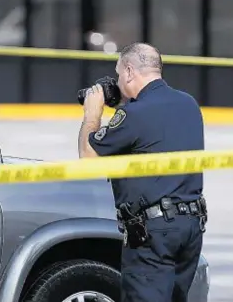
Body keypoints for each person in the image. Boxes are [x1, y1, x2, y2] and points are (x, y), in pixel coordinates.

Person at [77, 42, 208, 302]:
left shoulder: (134, 115)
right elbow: (151, 132)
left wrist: (92, 115)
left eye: (117, 74)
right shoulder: (188, 104)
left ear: (128, 71)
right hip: (190, 227)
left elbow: (88, 157)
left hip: (154, 233)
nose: (116, 81)